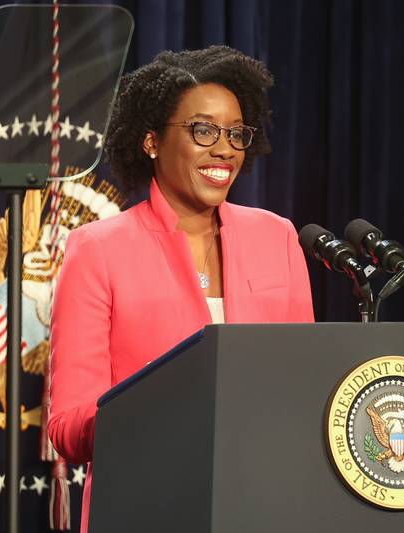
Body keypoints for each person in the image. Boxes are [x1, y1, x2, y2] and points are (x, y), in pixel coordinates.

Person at [48, 45, 314, 532]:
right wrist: (161, 406)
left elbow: (305, 383)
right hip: (147, 506)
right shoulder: (98, 249)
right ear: (151, 141)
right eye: (204, 130)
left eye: (236, 133)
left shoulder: (277, 237)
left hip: (262, 504)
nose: (225, 149)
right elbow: (67, 426)